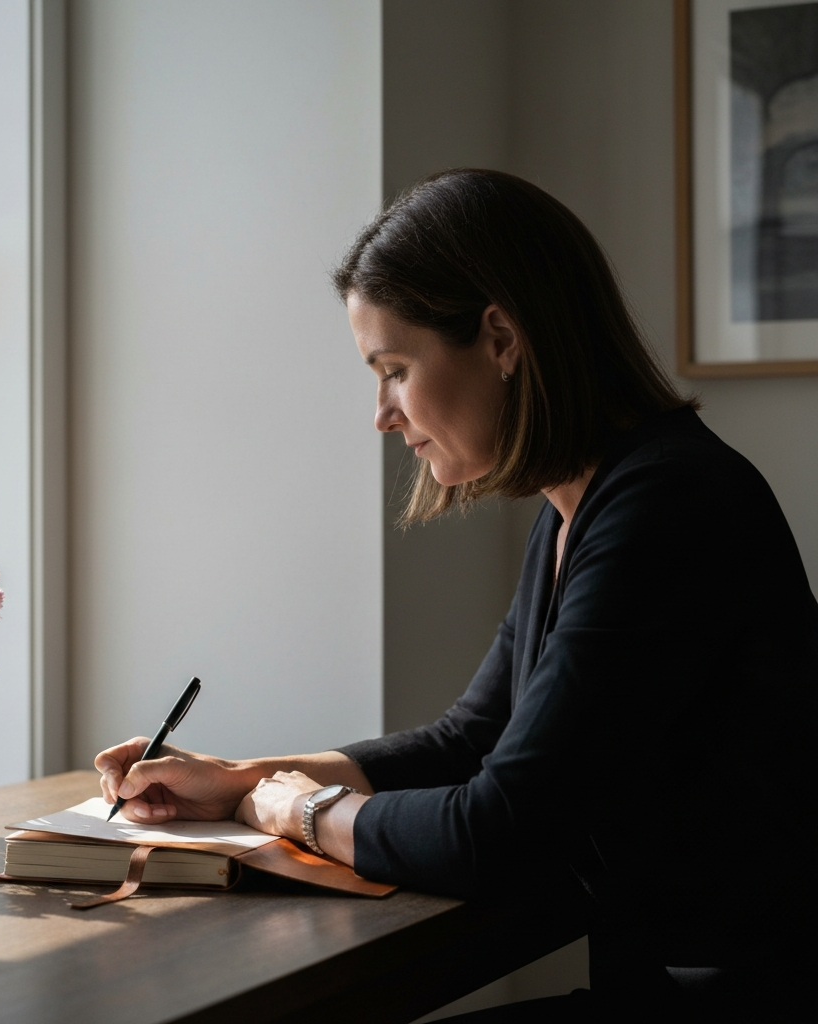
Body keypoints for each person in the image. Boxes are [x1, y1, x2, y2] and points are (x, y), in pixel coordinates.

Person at [95, 170, 817, 1022]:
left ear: (502, 338)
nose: (382, 415)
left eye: (395, 369)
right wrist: (238, 777)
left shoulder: (666, 508)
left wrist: (297, 809)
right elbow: (472, 739)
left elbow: (494, 830)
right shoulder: (579, 512)